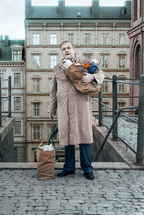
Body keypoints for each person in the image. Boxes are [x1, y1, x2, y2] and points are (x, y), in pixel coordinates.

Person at [48, 40, 104, 180]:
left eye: (68, 48)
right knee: (67, 137)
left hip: (81, 104)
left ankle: (87, 168)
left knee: (84, 136)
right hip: (64, 106)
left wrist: (92, 76)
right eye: (64, 49)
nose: (66, 50)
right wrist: (51, 108)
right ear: (61, 52)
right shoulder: (57, 68)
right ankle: (69, 167)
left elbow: (101, 74)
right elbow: (53, 90)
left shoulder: (84, 62)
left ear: (73, 50)